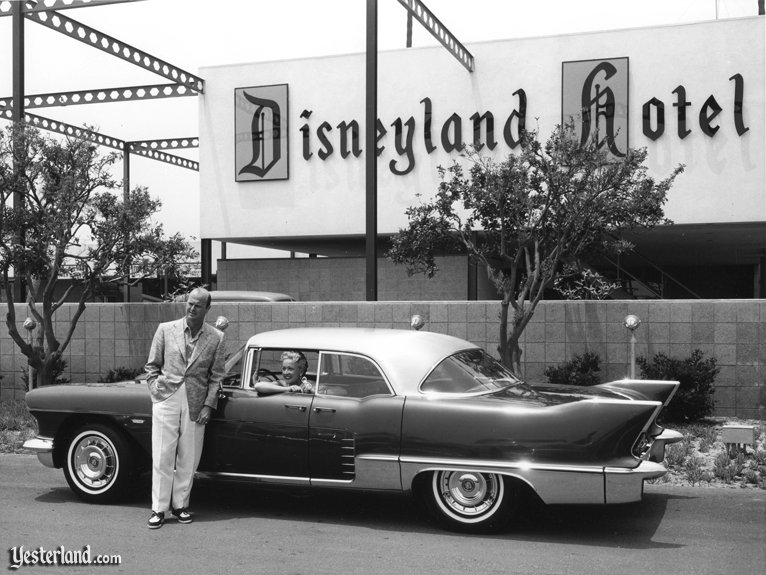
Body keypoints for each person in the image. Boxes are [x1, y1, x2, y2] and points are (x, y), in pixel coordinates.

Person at [144, 287, 225, 530]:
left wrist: (209, 405)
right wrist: (156, 393)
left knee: (188, 458)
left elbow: (217, 375)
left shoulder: (216, 337)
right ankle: (158, 508)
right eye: (189, 303)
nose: (191, 308)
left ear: (207, 309)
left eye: (197, 306)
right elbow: (151, 366)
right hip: (166, 398)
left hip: (196, 403)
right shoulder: (165, 329)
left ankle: (180, 505)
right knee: (162, 455)